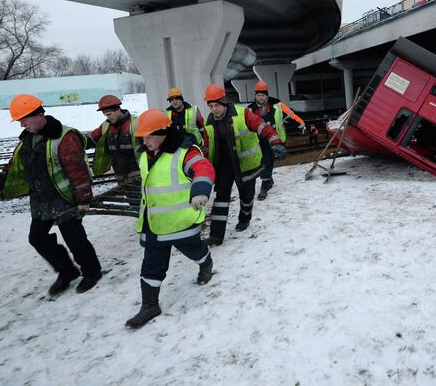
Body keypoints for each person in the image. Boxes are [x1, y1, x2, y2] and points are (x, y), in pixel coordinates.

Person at [0, 94, 102, 296]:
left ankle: (92, 272)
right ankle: (67, 271)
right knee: (37, 238)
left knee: (75, 239)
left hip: (64, 197)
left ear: (40, 115)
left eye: (24, 120)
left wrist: (84, 199)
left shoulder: (64, 137)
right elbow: (14, 164)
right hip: (41, 199)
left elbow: (78, 170)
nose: (21, 125)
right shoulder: (27, 140)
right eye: (20, 121)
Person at [125, 109, 216, 329]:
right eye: (142, 137)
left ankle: (206, 263)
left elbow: (203, 167)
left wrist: (200, 189)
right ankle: (149, 305)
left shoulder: (185, 152)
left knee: (194, 250)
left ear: (164, 132)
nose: (145, 141)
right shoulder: (147, 154)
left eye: (150, 136)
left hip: (180, 223)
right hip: (155, 223)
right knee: (151, 265)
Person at [202, 83, 286, 245]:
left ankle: (244, 218)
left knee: (246, 196)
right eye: (211, 106)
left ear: (224, 102)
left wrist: (275, 142)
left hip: (245, 164)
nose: (214, 109)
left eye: (216, 105)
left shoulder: (242, 113)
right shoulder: (210, 120)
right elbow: (207, 144)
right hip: (224, 166)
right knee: (221, 199)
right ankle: (216, 235)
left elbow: (262, 126)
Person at [246, 80, 305, 200]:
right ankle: (266, 182)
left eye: (262, 95)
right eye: (258, 95)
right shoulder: (250, 110)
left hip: (274, 139)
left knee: (268, 160)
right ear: (255, 96)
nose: (260, 97)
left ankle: (266, 182)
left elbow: (290, 115)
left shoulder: (277, 105)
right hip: (258, 141)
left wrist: (301, 124)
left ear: (267, 95)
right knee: (263, 161)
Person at [86, 94, 142, 182]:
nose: (108, 118)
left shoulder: (135, 123)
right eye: (106, 115)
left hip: (138, 175)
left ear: (118, 110)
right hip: (120, 175)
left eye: (109, 114)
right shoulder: (106, 126)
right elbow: (91, 139)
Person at [165, 87, 208, 152]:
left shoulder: (194, 109)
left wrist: (206, 145)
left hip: (195, 145)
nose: (174, 102)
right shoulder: (167, 113)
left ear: (181, 99)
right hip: (177, 147)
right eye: (172, 100)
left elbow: (202, 128)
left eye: (176, 99)